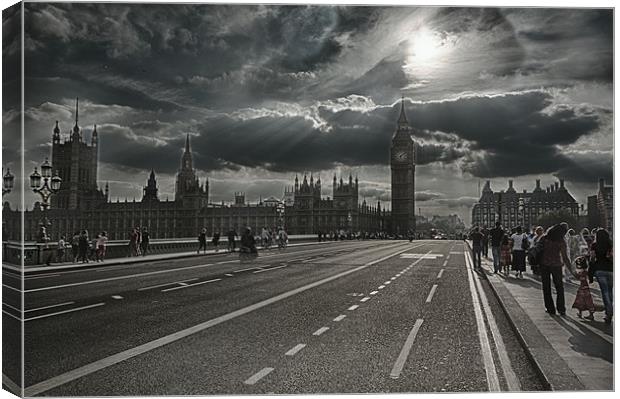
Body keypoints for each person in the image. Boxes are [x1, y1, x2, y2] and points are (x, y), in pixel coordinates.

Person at [540, 223, 571, 316]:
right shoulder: (561, 241)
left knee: (546, 287)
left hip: (544, 264)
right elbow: (565, 257)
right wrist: (571, 270)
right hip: (556, 265)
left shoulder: (544, 238)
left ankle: (550, 309)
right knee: (559, 287)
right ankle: (561, 308)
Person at [589, 228, 613, 324]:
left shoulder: (594, 245)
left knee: (605, 292)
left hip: (600, 270)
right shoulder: (611, 244)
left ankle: (609, 311)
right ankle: (609, 310)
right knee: (610, 291)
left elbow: (592, 258)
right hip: (611, 270)